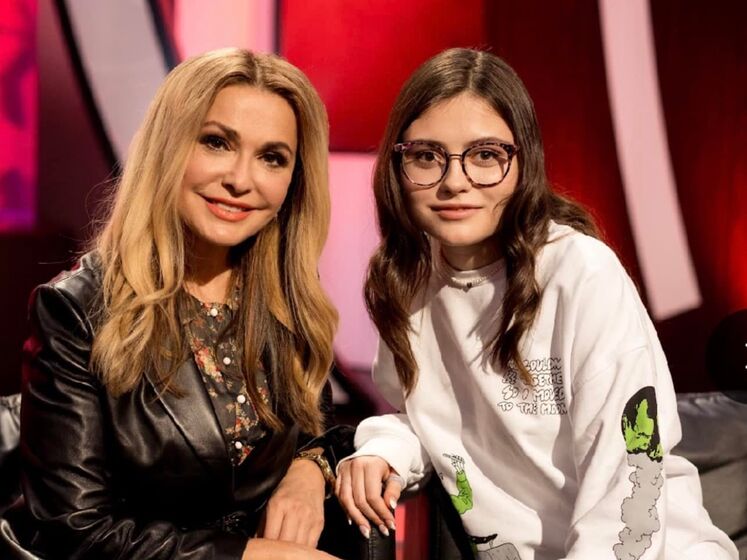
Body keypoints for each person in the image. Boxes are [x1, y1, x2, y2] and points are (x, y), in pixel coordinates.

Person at [336, 48, 738, 560]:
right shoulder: (406, 281)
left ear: (523, 163)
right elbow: (423, 416)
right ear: (398, 166)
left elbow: (626, 479)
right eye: (427, 156)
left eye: (485, 155)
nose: (454, 181)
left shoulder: (581, 273)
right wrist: (385, 449)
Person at [21, 48, 351, 560]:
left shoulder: (284, 298)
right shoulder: (75, 312)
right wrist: (251, 555)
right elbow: (77, 531)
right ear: (168, 146)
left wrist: (310, 469)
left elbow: (317, 426)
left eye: (272, 157)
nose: (241, 179)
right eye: (217, 142)